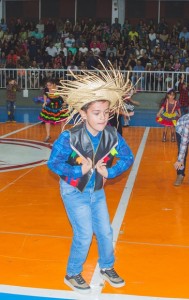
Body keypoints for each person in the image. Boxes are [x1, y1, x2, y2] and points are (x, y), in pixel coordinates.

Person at [47, 63, 135, 294]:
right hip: (73, 192)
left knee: (105, 232)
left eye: (106, 113)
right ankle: (73, 273)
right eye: (97, 113)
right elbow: (53, 163)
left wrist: (111, 172)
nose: (103, 118)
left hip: (96, 192)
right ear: (84, 113)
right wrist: (78, 171)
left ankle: (107, 267)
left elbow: (127, 157)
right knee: (84, 233)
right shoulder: (69, 137)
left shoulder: (112, 135)